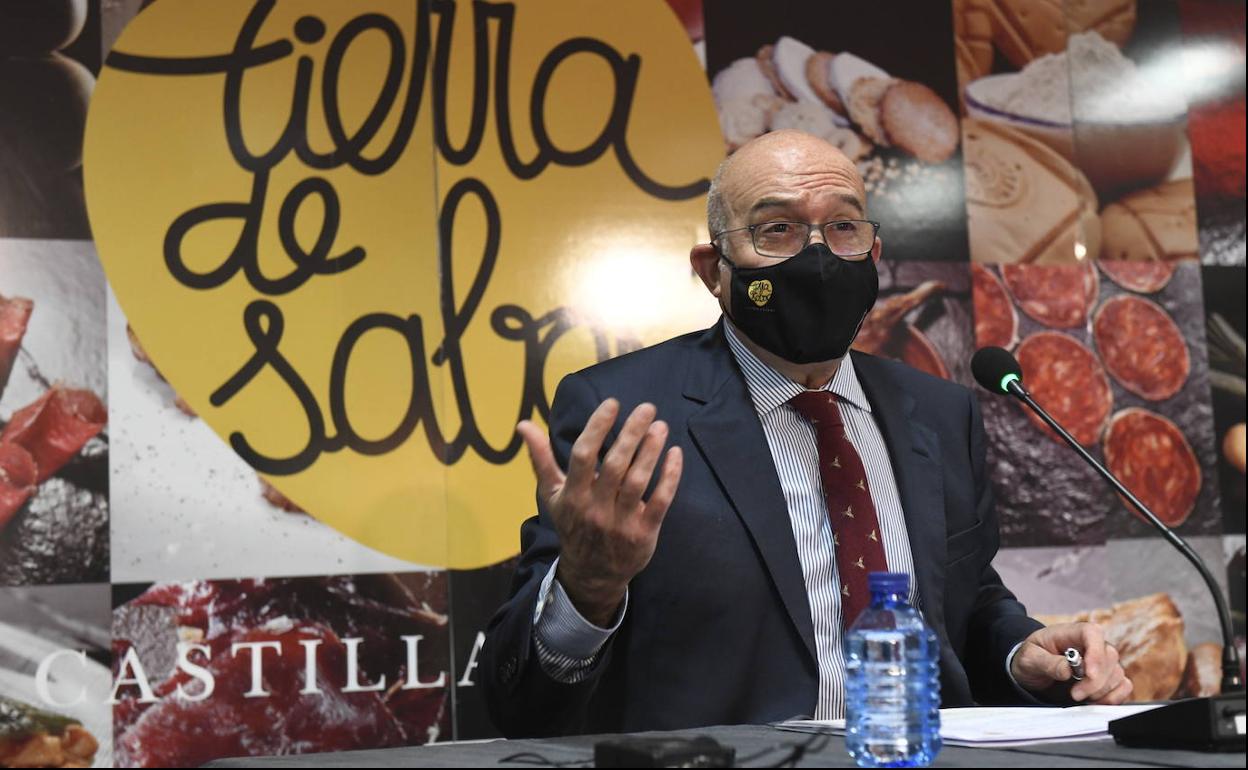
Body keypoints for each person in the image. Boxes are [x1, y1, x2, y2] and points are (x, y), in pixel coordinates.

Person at [480, 130, 1132, 737]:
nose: (818, 256)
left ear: (874, 254)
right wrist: (588, 589)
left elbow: (964, 601)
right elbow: (522, 702)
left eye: (843, 227)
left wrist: (1021, 651)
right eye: (778, 229)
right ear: (713, 270)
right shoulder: (625, 414)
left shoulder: (940, 413)